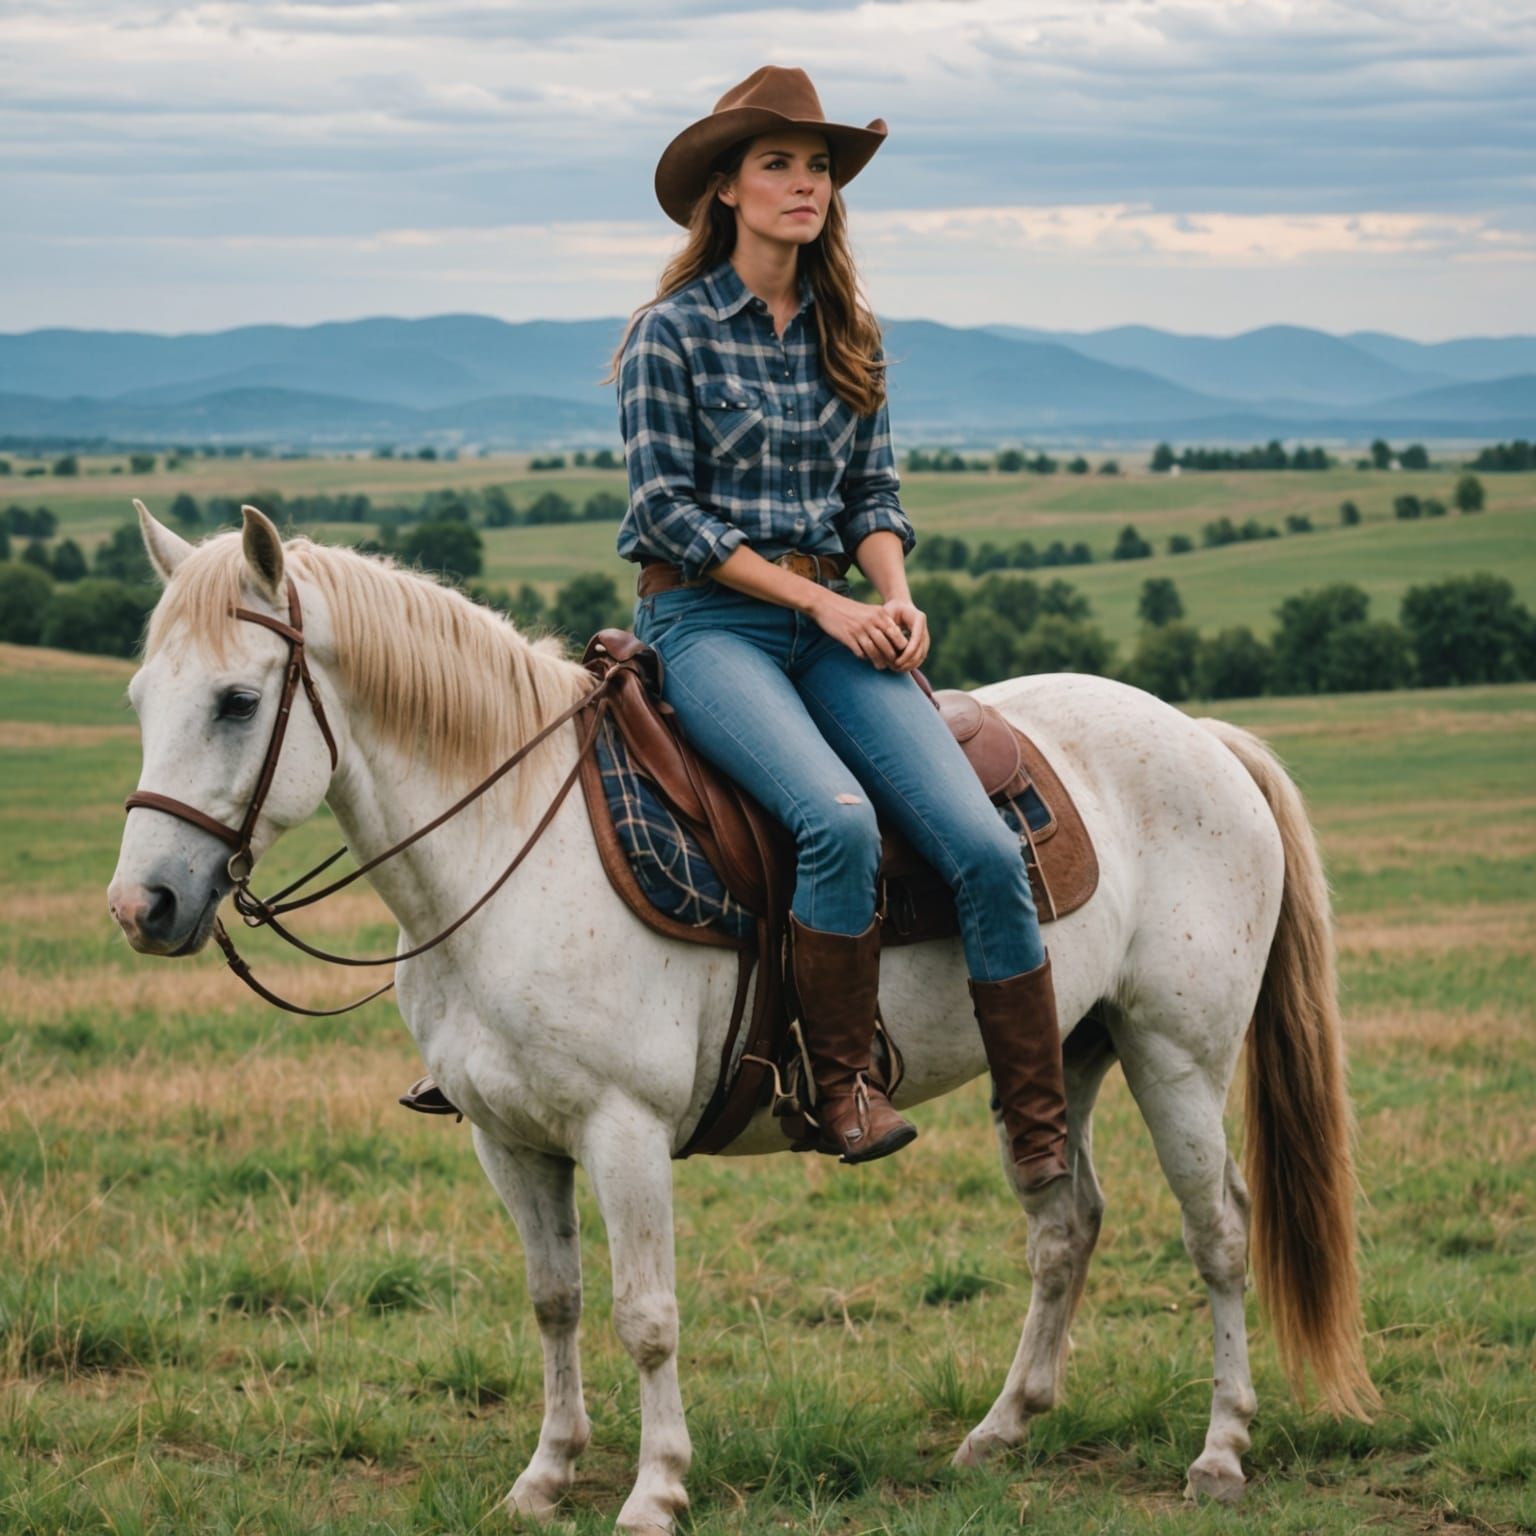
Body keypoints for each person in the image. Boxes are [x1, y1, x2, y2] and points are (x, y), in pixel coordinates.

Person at [595, 65, 1068, 1188]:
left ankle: (1038, 1124)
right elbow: (666, 512)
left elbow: (874, 498)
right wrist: (824, 603)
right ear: (725, 190)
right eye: (778, 165)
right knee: (838, 823)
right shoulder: (672, 335)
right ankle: (842, 1083)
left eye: (818, 168)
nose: (804, 186)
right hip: (709, 625)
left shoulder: (846, 329)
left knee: (988, 851)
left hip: (842, 623)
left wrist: (894, 596)